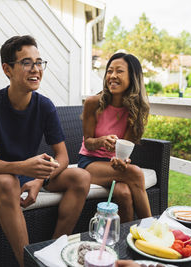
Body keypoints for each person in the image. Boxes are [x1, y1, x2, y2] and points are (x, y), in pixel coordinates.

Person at [0, 35, 91, 266]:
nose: (35, 69)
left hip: (27, 173)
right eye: (26, 63)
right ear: (8, 69)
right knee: (8, 182)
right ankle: (28, 263)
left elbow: (63, 157)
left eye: (39, 62)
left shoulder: (44, 106)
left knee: (81, 177)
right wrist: (25, 167)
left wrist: (38, 180)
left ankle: (53, 252)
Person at [78, 52, 151, 223]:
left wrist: (122, 160)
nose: (112, 76)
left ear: (132, 77)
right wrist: (101, 141)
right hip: (89, 162)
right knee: (135, 173)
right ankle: (150, 228)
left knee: (123, 193)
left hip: (114, 165)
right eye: (109, 71)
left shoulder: (136, 110)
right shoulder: (92, 103)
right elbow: (88, 143)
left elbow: (125, 150)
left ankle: (127, 238)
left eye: (119, 71)